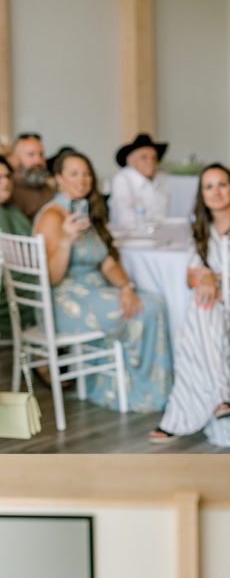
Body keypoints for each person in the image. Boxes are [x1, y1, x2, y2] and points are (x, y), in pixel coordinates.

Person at [33, 150, 172, 413]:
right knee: (149, 309)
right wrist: (65, 240)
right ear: (58, 179)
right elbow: (49, 278)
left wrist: (126, 287)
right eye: (74, 173)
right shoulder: (53, 216)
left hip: (95, 292)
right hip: (65, 302)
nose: (82, 179)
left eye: (86, 173)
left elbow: (106, 261)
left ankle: (138, 387)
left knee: (153, 299)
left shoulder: (80, 210)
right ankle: (142, 394)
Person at [150, 163, 230, 445]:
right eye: (209, 187)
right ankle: (220, 400)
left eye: (222, 184)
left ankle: (182, 415)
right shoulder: (201, 229)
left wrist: (218, 279)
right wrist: (205, 278)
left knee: (196, 322)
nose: (216, 192)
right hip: (221, 312)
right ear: (202, 194)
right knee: (203, 312)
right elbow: (190, 276)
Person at [0, 154, 32, 337]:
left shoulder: (11, 210)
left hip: (25, 283)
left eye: (7, 177)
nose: (5, 182)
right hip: (12, 293)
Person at [109, 133, 171, 227]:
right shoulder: (122, 179)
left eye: (154, 158)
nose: (150, 162)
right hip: (129, 236)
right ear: (130, 160)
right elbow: (125, 218)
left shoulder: (162, 178)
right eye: (144, 157)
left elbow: (166, 213)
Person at [9, 132, 56, 220]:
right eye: (31, 154)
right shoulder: (8, 190)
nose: (38, 161)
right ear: (15, 159)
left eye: (41, 154)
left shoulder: (51, 188)